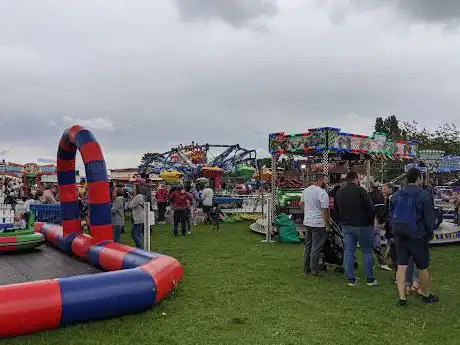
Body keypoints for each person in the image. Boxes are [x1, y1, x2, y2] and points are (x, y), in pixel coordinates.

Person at [389, 167, 438, 306]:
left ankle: (402, 297)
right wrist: (429, 233)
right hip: (418, 235)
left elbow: (391, 215)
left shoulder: (397, 195)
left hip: (400, 235)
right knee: (423, 266)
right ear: (418, 178)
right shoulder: (424, 195)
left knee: (401, 265)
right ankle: (426, 295)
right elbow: (429, 219)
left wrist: (395, 230)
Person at [335, 171, 378, 287]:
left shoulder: (339, 192)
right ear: (355, 178)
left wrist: (341, 221)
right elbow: (370, 208)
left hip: (347, 226)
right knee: (367, 252)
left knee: (348, 252)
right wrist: (370, 222)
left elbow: (336, 209)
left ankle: (351, 279)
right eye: (359, 178)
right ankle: (369, 279)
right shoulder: (361, 191)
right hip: (364, 225)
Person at [299, 173, 330, 276]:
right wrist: (327, 224)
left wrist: (307, 212)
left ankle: (306, 268)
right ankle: (314, 269)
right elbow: (324, 210)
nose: (327, 182)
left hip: (307, 221)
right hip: (318, 223)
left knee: (308, 245)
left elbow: (301, 204)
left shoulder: (306, 190)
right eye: (326, 180)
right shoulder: (322, 193)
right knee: (316, 247)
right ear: (320, 180)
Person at [369, 184, 392, 271]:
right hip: (376, 223)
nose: (383, 191)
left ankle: (375, 263)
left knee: (371, 245)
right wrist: (380, 222)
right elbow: (380, 211)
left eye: (384, 189)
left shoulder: (370, 195)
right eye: (382, 189)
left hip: (370, 223)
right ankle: (382, 262)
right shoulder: (379, 197)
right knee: (376, 244)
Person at [128, 184, 145, 249]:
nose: (132, 189)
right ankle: (139, 247)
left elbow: (130, 206)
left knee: (134, 234)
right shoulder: (138, 196)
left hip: (138, 217)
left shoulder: (138, 197)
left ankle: (140, 247)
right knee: (138, 233)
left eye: (134, 188)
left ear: (137, 189)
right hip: (139, 217)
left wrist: (131, 201)